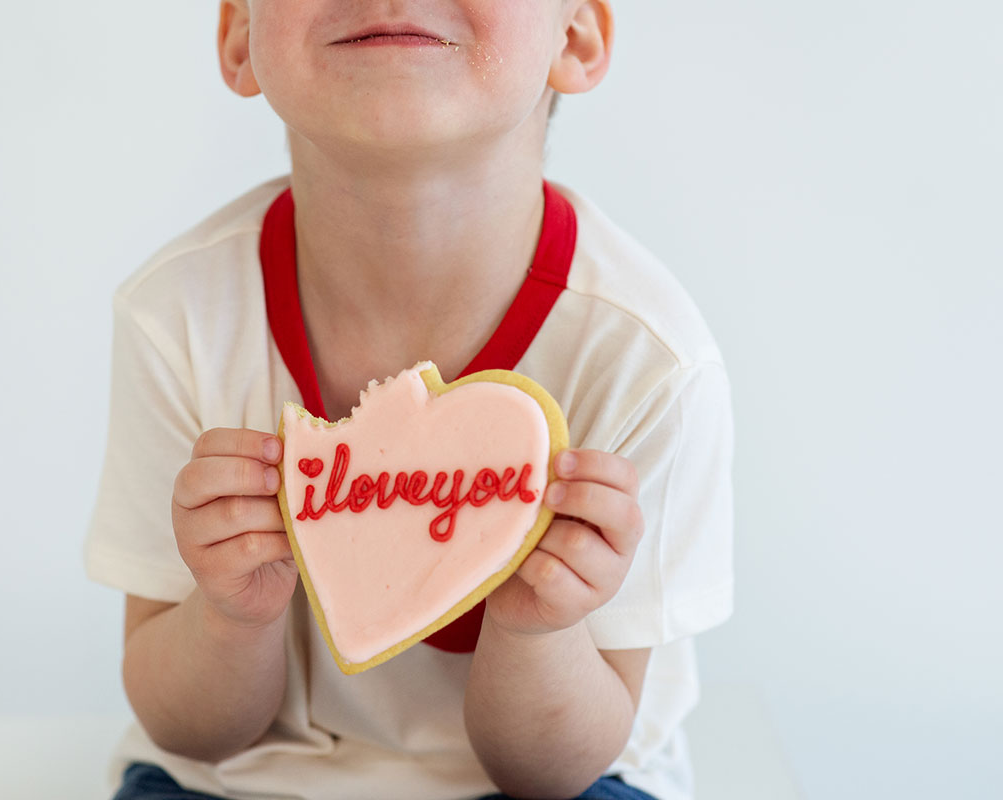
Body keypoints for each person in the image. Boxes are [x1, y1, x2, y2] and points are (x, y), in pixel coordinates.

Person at [84, 1, 734, 799]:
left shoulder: (648, 359)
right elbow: (186, 729)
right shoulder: (177, 317)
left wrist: (537, 630)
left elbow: (558, 769)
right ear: (241, 37)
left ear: (575, 35)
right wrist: (230, 616)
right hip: (244, 782)